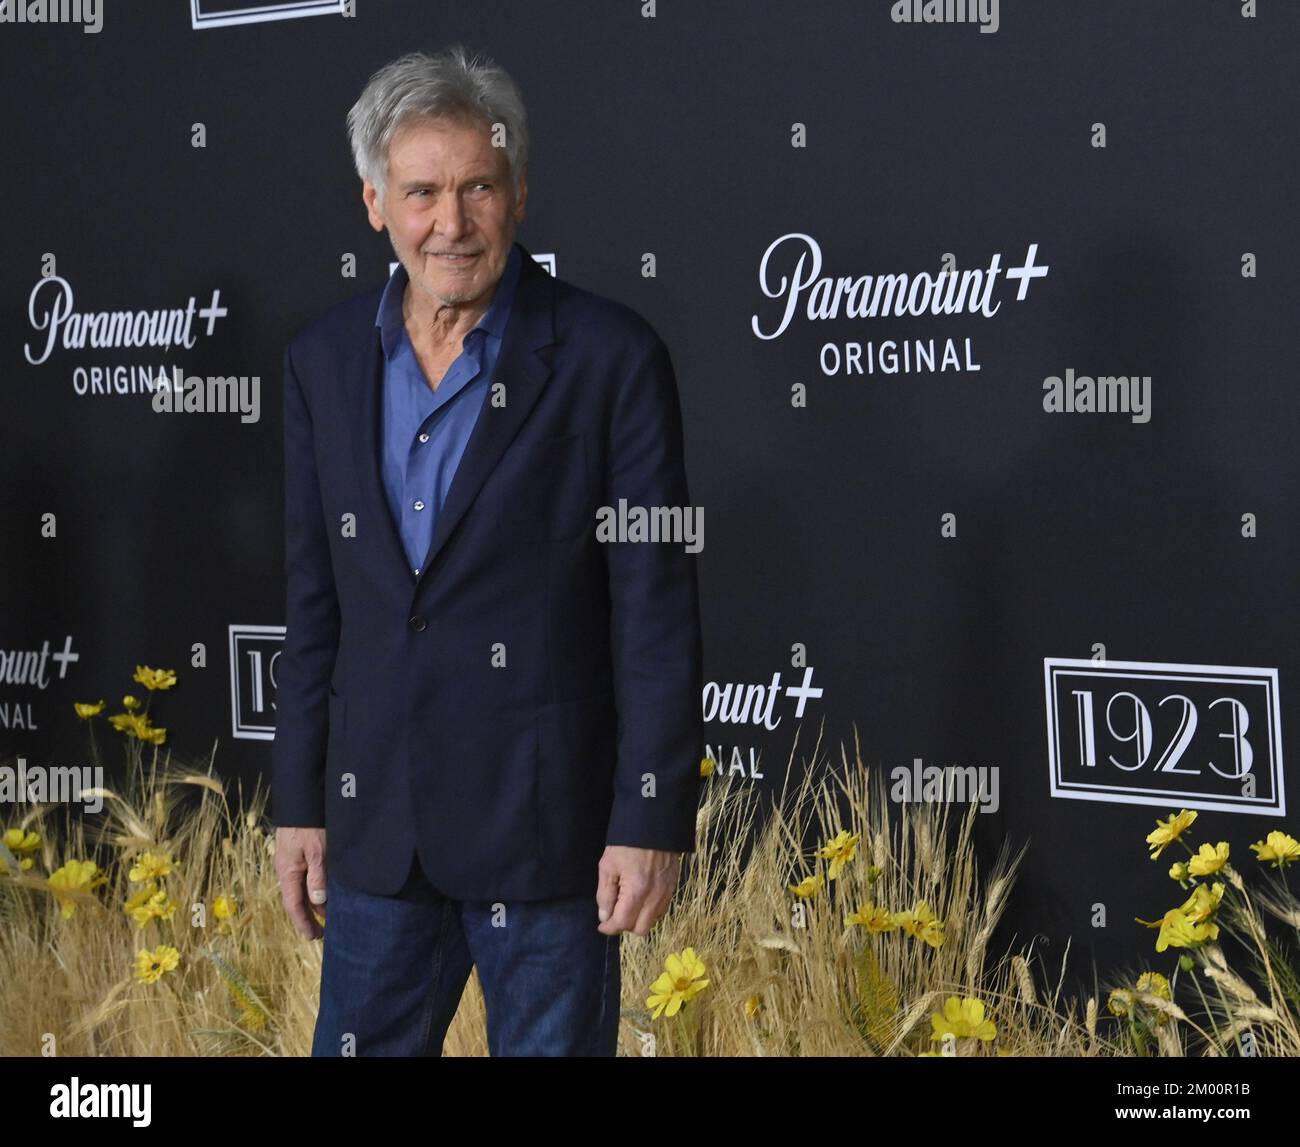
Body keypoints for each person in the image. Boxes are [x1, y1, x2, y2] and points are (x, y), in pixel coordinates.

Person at [270, 45, 704, 1057]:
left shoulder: (611, 357)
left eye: (478, 187)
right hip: (379, 835)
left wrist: (649, 817)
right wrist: (298, 802)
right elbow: (312, 602)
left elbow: (655, 611)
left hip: (547, 835)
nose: (450, 223)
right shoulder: (320, 363)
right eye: (421, 191)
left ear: (520, 192)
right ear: (374, 200)